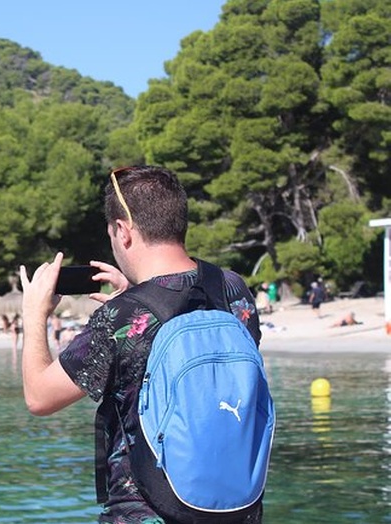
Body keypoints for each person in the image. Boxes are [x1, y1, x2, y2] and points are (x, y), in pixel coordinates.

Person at [20, 165, 263, 523]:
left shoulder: (122, 317)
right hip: (234, 511)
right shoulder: (231, 287)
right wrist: (134, 296)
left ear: (122, 230)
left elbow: (39, 397)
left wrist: (33, 314)